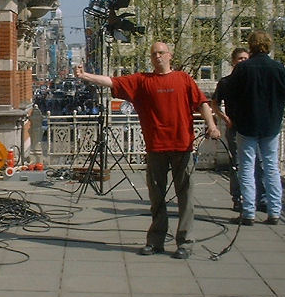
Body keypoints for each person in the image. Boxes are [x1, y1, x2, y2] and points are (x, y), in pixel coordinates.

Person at [75, 41, 220, 259]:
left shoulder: (183, 79)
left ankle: (185, 242)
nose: (158, 57)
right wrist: (85, 76)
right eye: (154, 54)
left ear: (170, 55)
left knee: (186, 197)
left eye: (161, 53)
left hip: (183, 146)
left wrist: (212, 125)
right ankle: (156, 241)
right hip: (156, 147)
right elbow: (112, 81)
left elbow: (202, 104)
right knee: (157, 197)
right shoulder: (142, 81)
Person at [225, 30, 285, 225]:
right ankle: (274, 211)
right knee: (271, 167)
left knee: (246, 168)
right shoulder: (278, 68)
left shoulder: (243, 69)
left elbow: (231, 95)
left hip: (246, 124)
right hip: (271, 124)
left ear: (251, 45)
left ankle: (248, 212)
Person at [211, 47, 265, 213]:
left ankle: (261, 198)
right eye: (240, 58)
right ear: (234, 61)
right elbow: (214, 103)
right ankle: (238, 198)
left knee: (259, 163)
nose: (243, 61)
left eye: (245, 58)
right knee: (237, 164)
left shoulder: (254, 81)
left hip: (254, 127)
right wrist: (224, 118)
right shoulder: (226, 82)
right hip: (235, 128)